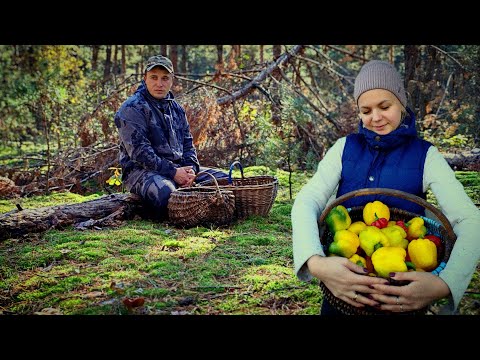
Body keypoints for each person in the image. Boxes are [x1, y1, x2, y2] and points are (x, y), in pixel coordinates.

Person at [291, 60, 480, 315]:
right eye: (365, 110)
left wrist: (444, 283)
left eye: (384, 106)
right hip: (343, 299)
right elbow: (306, 202)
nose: (375, 117)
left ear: (401, 104)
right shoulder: (344, 149)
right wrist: (315, 263)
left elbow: (470, 220)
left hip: (403, 300)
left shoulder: (426, 156)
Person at [114, 55, 228, 218]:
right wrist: (174, 173)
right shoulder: (132, 108)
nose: (159, 84)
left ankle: (200, 210)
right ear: (145, 78)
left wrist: (191, 171)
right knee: (167, 195)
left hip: (179, 169)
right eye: (154, 77)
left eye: (165, 78)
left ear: (171, 80)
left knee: (226, 181)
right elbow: (140, 153)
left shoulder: (176, 109)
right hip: (141, 172)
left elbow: (188, 145)